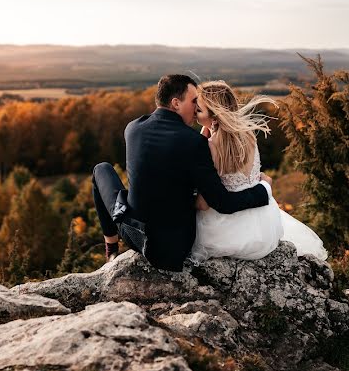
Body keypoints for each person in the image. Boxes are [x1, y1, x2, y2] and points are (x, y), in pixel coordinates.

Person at [92, 74, 274, 271]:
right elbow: (222, 202)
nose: (196, 108)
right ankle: (112, 248)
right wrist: (263, 190)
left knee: (101, 169)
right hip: (174, 249)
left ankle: (111, 248)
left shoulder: (133, 128)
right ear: (176, 103)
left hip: (135, 234)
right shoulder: (194, 142)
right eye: (194, 101)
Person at [191, 80, 328, 262]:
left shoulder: (210, 147)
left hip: (228, 232)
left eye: (199, 110)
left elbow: (205, 203)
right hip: (264, 224)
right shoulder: (248, 135)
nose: (194, 112)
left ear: (215, 117)